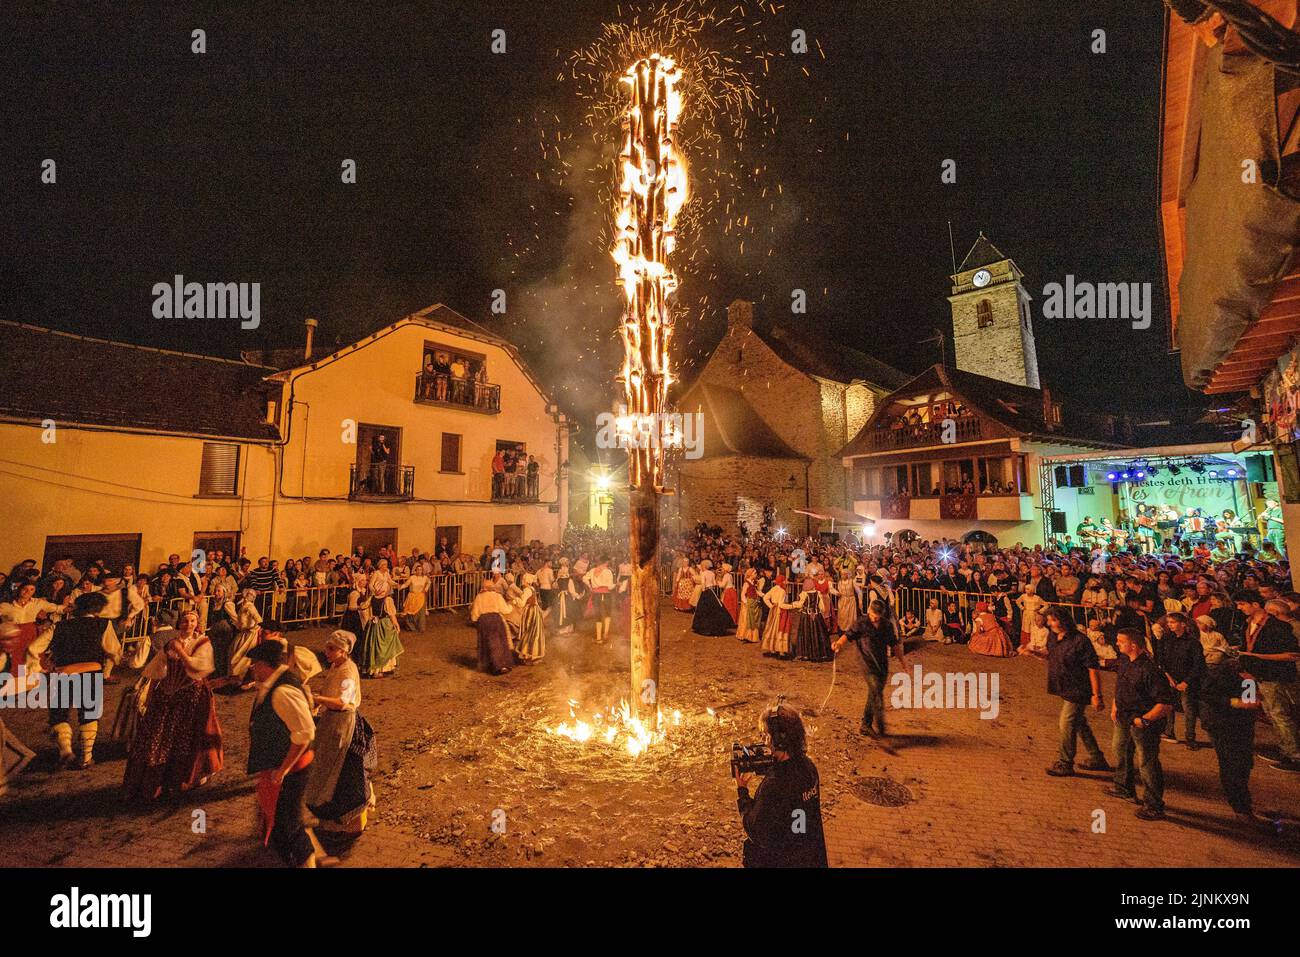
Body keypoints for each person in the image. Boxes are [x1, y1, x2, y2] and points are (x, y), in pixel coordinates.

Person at [245, 642, 332, 867]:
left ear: (266, 665)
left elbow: (304, 733)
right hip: (280, 766)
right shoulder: (276, 683)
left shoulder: (283, 691)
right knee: (283, 820)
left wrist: (283, 770)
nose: (253, 668)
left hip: (291, 768)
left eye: (256, 665)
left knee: (287, 824)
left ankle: (308, 861)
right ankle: (308, 856)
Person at [122, 609, 224, 800]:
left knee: (186, 738)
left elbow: (197, 668)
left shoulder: (202, 643)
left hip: (191, 695)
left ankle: (183, 780)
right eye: (185, 621)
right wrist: (150, 696)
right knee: (155, 739)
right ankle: (152, 783)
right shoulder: (170, 643)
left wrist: (180, 651)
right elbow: (156, 670)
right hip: (166, 696)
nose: (189, 624)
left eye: (192, 621)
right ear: (179, 623)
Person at [734, 704, 828, 868]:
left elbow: (755, 828)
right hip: (806, 854)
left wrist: (742, 793)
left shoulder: (774, 786)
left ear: (779, 739)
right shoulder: (809, 767)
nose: (763, 741)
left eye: (765, 735)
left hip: (779, 859)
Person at [305, 631, 376, 832]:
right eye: (327, 647)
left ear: (343, 651)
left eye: (332, 649)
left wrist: (318, 699)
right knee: (326, 766)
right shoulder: (336, 666)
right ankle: (330, 814)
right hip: (331, 722)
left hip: (343, 725)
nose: (327, 652)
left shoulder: (348, 672)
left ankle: (349, 817)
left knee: (341, 770)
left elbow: (343, 702)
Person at [1105, 627, 1176, 821]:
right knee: (1120, 749)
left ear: (1133, 645)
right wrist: (1115, 707)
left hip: (1142, 723)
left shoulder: (1150, 671)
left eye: (1121, 641)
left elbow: (1166, 704)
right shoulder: (1125, 662)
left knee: (1146, 762)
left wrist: (1144, 720)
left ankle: (1154, 804)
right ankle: (1123, 787)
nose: (1117, 644)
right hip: (1123, 717)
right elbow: (1120, 686)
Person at [42, 592, 116, 770]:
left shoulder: (58, 626)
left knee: (59, 714)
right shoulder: (103, 624)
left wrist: (41, 669)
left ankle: (66, 750)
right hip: (90, 672)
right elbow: (113, 651)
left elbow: (35, 647)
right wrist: (106, 671)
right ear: (98, 608)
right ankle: (86, 758)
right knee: (89, 714)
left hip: (62, 673)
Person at [1235, 593, 1300, 772]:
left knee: (1280, 715)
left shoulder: (1278, 627)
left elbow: (1292, 655)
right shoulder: (1247, 624)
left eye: (1242, 604)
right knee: (1270, 714)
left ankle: (1294, 756)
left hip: (1273, 677)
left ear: (1256, 604)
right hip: (1253, 676)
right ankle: (1284, 749)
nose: (1239, 608)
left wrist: (1256, 656)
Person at [1044, 607, 1111, 777]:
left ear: (1064, 619)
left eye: (1054, 620)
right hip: (1065, 687)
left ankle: (1065, 762)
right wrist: (1032, 652)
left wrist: (1097, 695)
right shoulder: (1053, 637)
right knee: (1079, 723)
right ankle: (1097, 758)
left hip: (1079, 689)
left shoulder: (1080, 641)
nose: (1051, 624)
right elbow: (1050, 656)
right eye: (1049, 620)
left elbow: (1093, 669)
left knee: (1066, 723)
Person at [832, 599, 905, 738]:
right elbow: (848, 635)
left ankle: (866, 724)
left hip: (881, 664)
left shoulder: (887, 626)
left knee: (874, 692)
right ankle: (881, 729)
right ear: (869, 611)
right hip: (866, 662)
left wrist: (903, 662)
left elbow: (894, 644)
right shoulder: (861, 623)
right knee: (876, 692)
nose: (874, 619)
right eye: (872, 615)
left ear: (882, 615)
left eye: (877, 617)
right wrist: (839, 644)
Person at [1155, 612, 1205, 749]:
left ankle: (1190, 738)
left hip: (1187, 681)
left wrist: (1186, 682)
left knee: (1188, 709)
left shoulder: (1192, 642)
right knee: (1168, 706)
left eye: (1172, 622)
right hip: (1170, 678)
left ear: (1182, 624)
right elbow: (1160, 658)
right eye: (1168, 622)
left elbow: (1198, 665)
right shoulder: (1166, 638)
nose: (1169, 625)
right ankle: (1169, 732)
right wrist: (1167, 676)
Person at [357, 577, 403, 679]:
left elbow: (363, 606)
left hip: (373, 624)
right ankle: (381, 669)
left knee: (373, 645)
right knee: (385, 646)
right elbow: (391, 614)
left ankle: (374, 669)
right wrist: (396, 624)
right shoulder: (387, 600)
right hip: (384, 624)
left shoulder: (372, 598)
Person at [470, 579, 515, 674]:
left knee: (486, 642)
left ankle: (487, 665)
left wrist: (475, 621)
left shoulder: (479, 597)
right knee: (498, 641)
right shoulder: (497, 596)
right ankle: (501, 665)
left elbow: (475, 613)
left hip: (484, 621)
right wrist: (511, 607)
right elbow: (505, 610)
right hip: (495, 619)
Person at [792, 578, 833, 662]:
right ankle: (820, 653)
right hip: (817, 617)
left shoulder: (804, 594)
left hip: (806, 617)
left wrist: (793, 604)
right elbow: (822, 608)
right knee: (818, 634)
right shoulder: (818, 593)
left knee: (806, 634)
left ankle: (806, 654)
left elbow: (800, 605)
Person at [513, 573, 546, 662]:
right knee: (533, 632)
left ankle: (528, 654)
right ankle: (531, 653)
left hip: (530, 612)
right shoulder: (532, 588)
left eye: (523, 579)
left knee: (529, 632)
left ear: (526, 581)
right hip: (535, 611)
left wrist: (515, 600)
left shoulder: (527, 590)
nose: (522, 581)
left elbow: (522, 603)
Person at [760, 574, 794, 658]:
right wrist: (792, 606)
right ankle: (781, 651)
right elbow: (781, 604)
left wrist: (771, 606)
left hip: (773, 610)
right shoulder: (782, 591)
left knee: (772, 629)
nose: (786, 582)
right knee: (780, 629)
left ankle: (772, 649)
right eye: (784, 581)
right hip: (780, 612)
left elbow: (765, 598)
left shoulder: (774, 588)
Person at [585, 556, 615, 645]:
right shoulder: (608, 571)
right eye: (607, 562)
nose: (608, 564)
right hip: (606, 594)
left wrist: (590, 587)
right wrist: (615, 585)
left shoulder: (592, 570)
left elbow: (584, 578)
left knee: (598, 615)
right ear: (605, 562)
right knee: (607, 613)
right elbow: (610, 586)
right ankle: (605, 634)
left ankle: (598, 639)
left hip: (596, 594)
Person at [736, 568, 764, 643]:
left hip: (753, 603)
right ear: (750, 574)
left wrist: (764, 595)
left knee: (753, 619)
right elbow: (742, 594)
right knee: (746, 620)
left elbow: (756, 591)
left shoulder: (753, 582)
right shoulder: (746, 583)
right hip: (747, 604)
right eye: (754, 573)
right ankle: (745, 635)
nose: (756, 575)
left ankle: (752, 636)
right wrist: (746, 603)